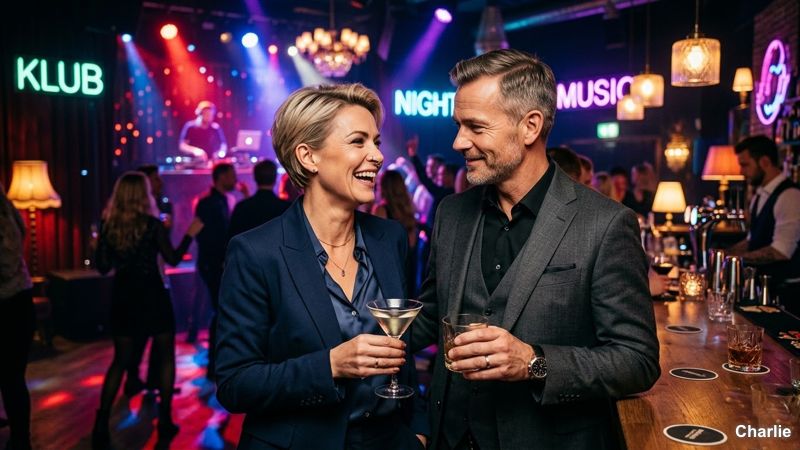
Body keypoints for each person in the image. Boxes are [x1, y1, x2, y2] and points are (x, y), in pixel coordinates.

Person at [411, 49, 660, 449]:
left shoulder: (605, 224)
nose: (459, 142)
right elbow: (431, 314)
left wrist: (533, 362)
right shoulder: (452, 213)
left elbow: (637, 361)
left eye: (476, 127)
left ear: (530, 127)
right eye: (458, 125)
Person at [215, 84, 427, 449]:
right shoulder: (256, 252)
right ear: (308, 156)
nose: (377, 156)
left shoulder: (388, 238)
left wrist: (418, 434)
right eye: (358, 141)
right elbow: (235, 384)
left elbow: (402, 353)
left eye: (376, 142)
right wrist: (330, 365)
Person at [93, 172, 203, 449]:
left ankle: (100, 423)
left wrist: (96, 246)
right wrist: (189, 235)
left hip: (123, 297)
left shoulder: (108, 226)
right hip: (153, 295)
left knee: (120, 360)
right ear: (144, 194)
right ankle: (164, 419)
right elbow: (173, 259)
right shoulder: (152, 225)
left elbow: (103, 268)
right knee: (166, 357)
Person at [728, 135, 800, 314]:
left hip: (786, 295)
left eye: (745, 165)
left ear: (765, 162)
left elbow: (780, 251)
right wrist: (725, 254)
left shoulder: (790, 196)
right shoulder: (760, 194)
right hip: (762, 291)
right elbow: (752, 240)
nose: (741, 171)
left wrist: (736, 259)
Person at [124, 164, 174, 397]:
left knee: (159, 338)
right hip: (144, 283)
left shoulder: (162, 205)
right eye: (155, 179)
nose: (160, 183)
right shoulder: (135, 216)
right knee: (142, 336)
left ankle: (155, 381)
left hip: (159, 275)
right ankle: (136, 379)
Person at [191, 163, 243, 376]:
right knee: (220, 311)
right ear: (221, 177)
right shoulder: (208, 203)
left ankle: (219, 361)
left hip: (218, 263)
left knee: (222, 310)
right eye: (232, 175)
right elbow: (207, 237)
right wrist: (220, 259)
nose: (236, 179)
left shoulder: (226, 200)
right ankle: (215, 363)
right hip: (213, 264)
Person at [0, 185, 35, 450]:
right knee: (13, 377)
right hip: (20, 299)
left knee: (11, 377)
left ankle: (20, 440)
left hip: (8, 302)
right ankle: (21, 439)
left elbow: (6, 265)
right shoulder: (9, 211)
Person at [372, 170, 421, 297]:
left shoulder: (381, 210)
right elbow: (411, 246)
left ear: (383, 187)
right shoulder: (409, 212)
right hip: (410, 273)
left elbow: (375, 248)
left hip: (390, 274)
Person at [228, 159, 290, 239]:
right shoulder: (286, 208)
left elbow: (232, 238)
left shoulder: (242, 207)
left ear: (254, 178)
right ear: (275, 179)